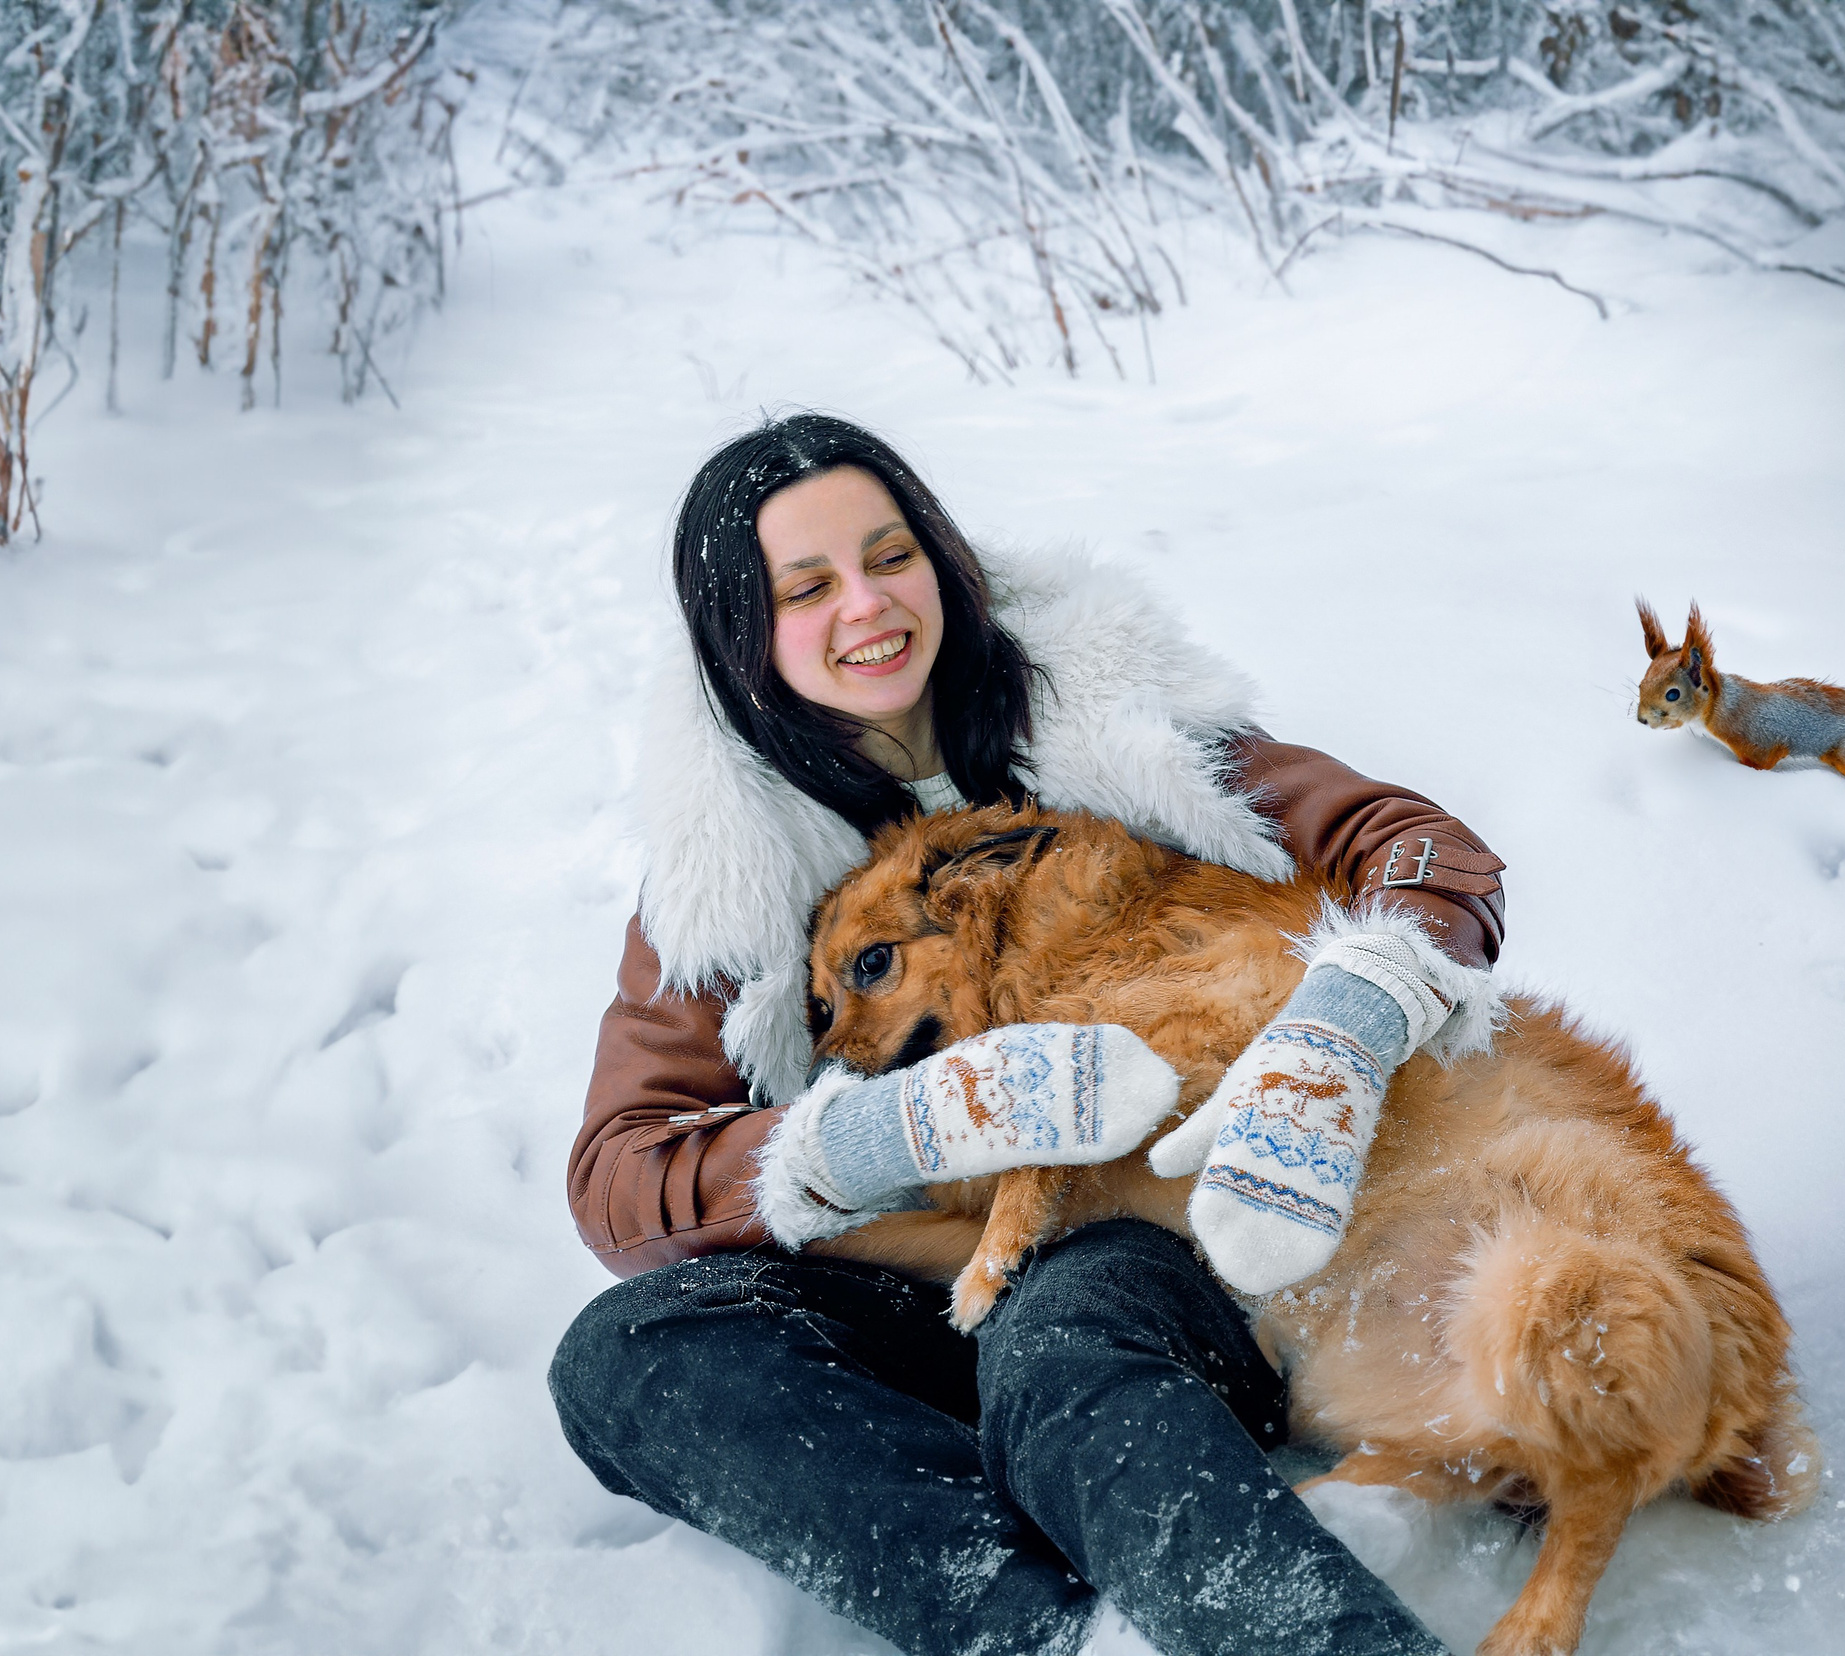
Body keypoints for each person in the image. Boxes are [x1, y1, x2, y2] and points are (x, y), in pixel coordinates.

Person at [547, 413, 1509, 1656]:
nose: (867, 605)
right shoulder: (728, 861)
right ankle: (1056, 1635)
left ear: (940, 557)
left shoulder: (1106, 711)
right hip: (933, 1262)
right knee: (628, 1355)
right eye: (808, 586)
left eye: (889, 556)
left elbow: (1418, 850)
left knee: (1060, 1344)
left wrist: (1344, 1019)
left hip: (1162, 1223)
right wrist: (901, 1127)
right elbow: (623, 1173)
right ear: (744, 636)